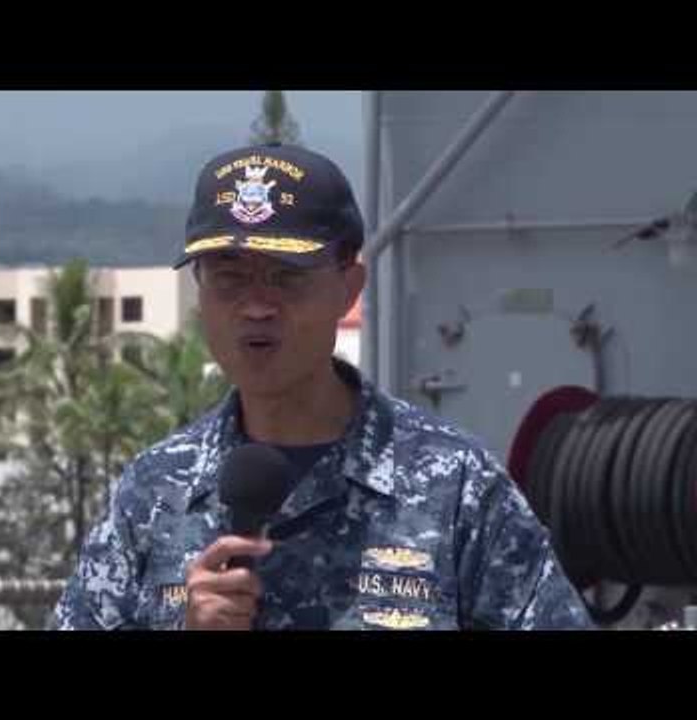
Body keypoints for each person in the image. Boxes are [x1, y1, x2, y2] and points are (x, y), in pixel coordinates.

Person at [49, 142, 594, 630]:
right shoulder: (154, 490)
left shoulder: (455, 485)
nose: (257, 306)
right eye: (230, 277)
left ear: (349, 287)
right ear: (200, 290)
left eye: (286, 277)